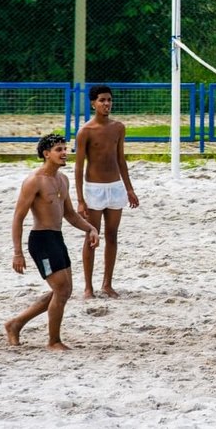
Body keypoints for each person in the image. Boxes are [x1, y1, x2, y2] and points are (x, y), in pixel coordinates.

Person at [6, 134, 100, 350]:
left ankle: (16, 323)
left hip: (56, 239)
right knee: (62, 289)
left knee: (64, 290)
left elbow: (70, 214)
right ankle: (53, 341)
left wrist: (91, 228)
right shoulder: (34, 181)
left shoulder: (62, 180)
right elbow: (18, 217)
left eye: (65, 148)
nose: (64, 153)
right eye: (59, 149)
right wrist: (17, 252)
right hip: (41, 242)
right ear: (46, 154)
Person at [74, 84, 139, 298]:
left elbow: (121, 159)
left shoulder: (118, 127)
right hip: (94, 189)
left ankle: (107, 284)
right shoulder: (85, 131)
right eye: (102, 100)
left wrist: (129, 189)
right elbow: (78, 166)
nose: (106, 104)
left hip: (115, 187)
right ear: (93, 103)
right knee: (92, 236)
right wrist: (81, 199)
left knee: (112, 236)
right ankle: (88, 287)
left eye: (109, 100)